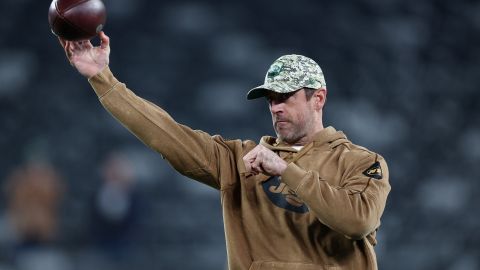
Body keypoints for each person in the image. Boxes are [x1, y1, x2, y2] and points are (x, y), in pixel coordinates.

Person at [58, 32, 391, 270]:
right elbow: (168, 135)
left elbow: (357, 221)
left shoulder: (361, 162)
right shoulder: (239, 160)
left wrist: (286, 170)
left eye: (285, 96)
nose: (275, 107)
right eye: (270, 99)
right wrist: (103, 78)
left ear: (318, 98)